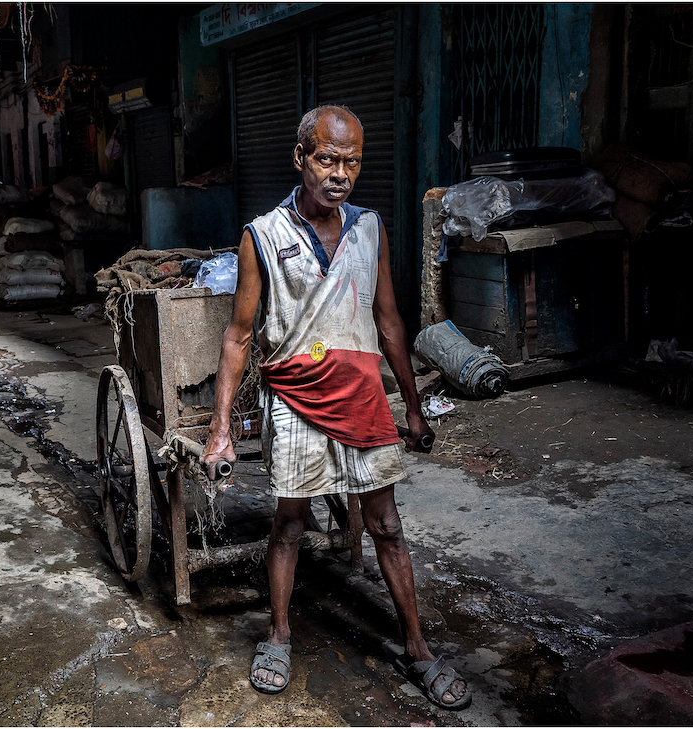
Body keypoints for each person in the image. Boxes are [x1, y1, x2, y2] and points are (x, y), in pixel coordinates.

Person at [200, 105, 471, 711]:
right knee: (291, 524)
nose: (340, 173)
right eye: (327, 158)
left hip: (363, 396)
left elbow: (389, 320)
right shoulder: (262, 237)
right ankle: (278, 634)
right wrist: (220, 430)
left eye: (351, 161)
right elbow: (239, 336)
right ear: (301, 158)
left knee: (388, 526)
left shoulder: (369, 227)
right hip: (293, 394)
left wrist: (415, 405)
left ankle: (418, 648)